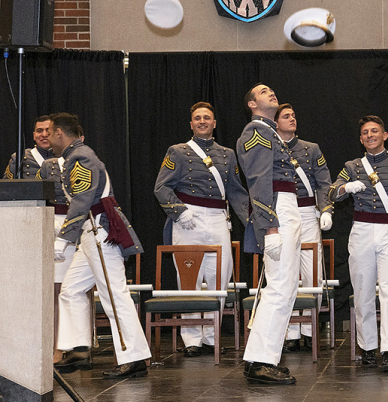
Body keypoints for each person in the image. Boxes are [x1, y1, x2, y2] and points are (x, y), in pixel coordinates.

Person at [50, 113, 151, 378]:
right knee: (71, 291)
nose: (48, 138)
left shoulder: (80, 157)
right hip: (89, 234)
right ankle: (78, 348)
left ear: (60, 132)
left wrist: (63, 237)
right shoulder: (75, 156)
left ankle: (133, 356)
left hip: (98, 232)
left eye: (50, 132)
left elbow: (82, 201)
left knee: (114, 293)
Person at [154, 102, 250, 357]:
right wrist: (180, 211)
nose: (202, 121)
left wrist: (254, 223)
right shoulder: (177, 151)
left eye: (207, 118)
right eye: (197, 118)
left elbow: (236, 193)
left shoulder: (228, 154)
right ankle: (192, 339)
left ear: (214, 123)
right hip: (189, 219)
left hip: (219, 218)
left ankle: (212, 336)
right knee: (189, 280)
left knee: (219, 278)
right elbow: (161, 187)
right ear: (191, 124)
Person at [329, 115, 388, 372]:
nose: (370, 135)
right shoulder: (353, 166)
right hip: (362, 230)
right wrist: (345, 189)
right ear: (360, 139)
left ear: (385, 135)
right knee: (363, 291)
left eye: (374, 131)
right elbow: (332, 192)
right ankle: (368, 347)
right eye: (365, 132)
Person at [238, 84, 301, 385]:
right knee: (279, 286)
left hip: (286, 207)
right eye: (264, 92)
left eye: (273, 90)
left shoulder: (269, 132)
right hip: (278, 209)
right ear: (252, 104)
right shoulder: (257, 131)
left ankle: (260, 358)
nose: (272, 93)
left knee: (284, 285)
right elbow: (260, 183)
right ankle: (262, 361)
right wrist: (271, 227)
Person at [274, 103, 334, 353]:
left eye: (294, 115)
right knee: (286, 271)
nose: (292, 119)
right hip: (281, 212)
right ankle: (289, 331)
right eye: (286, 116)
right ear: (275, 121)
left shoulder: (311, 149)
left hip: (308, 213)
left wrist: (326, 209)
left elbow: (323, 182)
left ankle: (310, 329)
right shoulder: (270, 147)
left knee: (312, 274)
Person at [39, 151, 75, 363]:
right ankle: (58, 347)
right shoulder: (47, 165)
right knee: (56, 291)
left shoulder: (85, 161)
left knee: (79, 292)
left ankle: (81, 347)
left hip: (77, 223)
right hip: (53, 223)